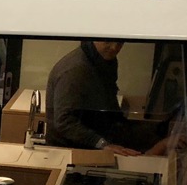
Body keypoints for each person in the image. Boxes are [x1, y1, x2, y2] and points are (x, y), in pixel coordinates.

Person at [45, 40, 176, 156]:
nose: (114, 48)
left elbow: (110, 106)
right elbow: (64, 122)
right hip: (69, 149)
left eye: (120, 42)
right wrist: (102, 144)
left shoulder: (105, 60)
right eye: (108, 41)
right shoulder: (75, 71)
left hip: (96, 134)